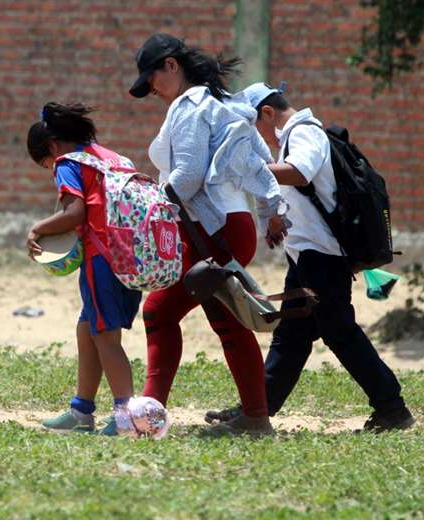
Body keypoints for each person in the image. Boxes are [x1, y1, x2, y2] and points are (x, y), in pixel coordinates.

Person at [205, 83, 415, 432]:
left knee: (340, 333)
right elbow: (301, 191)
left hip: (322, 256)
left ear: (267, 114)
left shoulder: (305, 132)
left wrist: (245, 171)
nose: (254, 136)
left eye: (252, 125)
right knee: (292, 337)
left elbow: (300, 172)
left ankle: (392, 407)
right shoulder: (292, 136)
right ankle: (257, 409)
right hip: (305, 254)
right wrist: (274, 218)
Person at [128, 34, 289, 437]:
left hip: (212, 231)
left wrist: (146, 201)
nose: (152, 89)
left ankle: (148, 418)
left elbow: (188, 175)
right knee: (228, 320)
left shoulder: (191, 105)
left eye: (152, 78)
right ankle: (255, 416)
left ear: (171, 65)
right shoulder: (218, 102)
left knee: (159, 312)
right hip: (229, 227)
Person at [27, 102, 142, 434]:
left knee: (106, 336)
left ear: (51, 148)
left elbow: (75, 213)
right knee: (88, 327)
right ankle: (81, 411)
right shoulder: (111, 157)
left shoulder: (67, 162)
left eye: (45, 163)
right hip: (130, 256)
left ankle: (126, 417)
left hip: (102, 257)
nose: (51, 168)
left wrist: (38, 229)